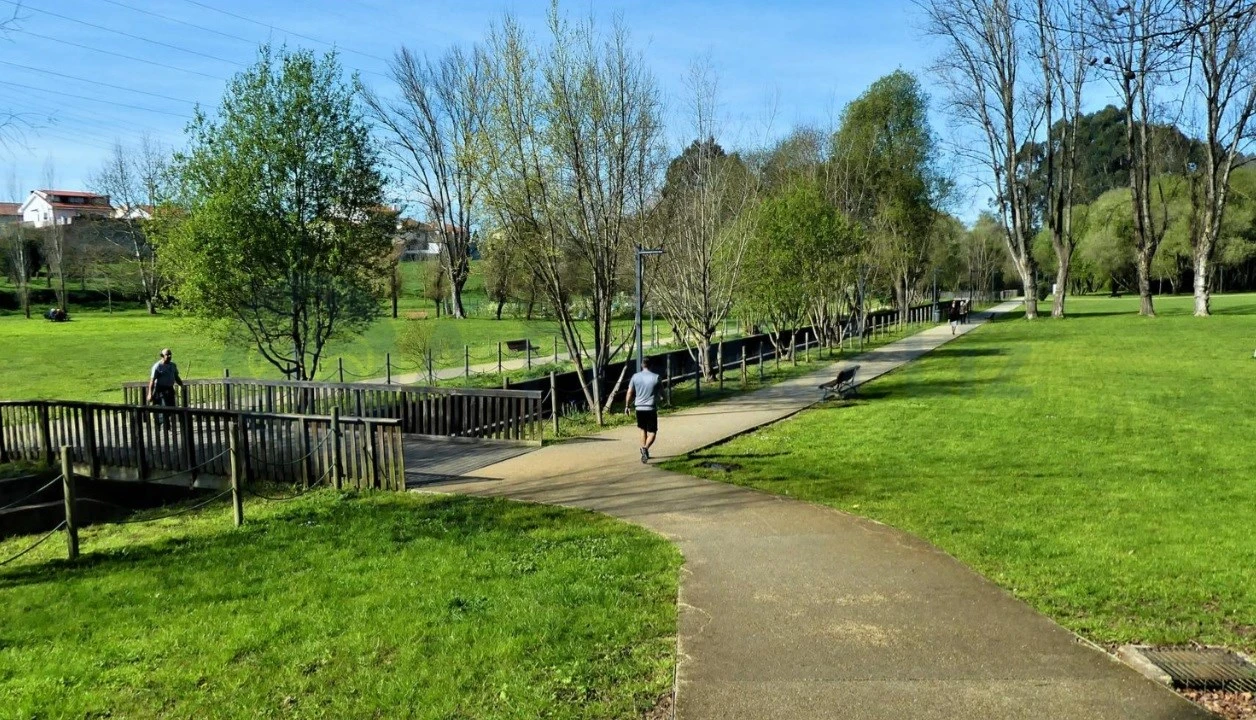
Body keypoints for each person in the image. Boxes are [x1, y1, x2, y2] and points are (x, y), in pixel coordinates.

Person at [624, 356, 661, 464]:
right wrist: (664, 399)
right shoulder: (656, 377)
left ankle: (645, 451)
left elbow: (630, 392)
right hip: (651, 408)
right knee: (653, 432)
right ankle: (645, 448)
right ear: (651, 365)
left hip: (639, 408)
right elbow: (661, 392)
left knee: (642, 429)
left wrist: (627, 406)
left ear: (642, 365)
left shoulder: (635, 377)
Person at [147, 347, 184, 414]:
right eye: (167, 354)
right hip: (160, 390)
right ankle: (163, 424)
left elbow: (176, 377)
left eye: (170, 354)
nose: (169, 356)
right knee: (163, 409)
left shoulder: (173, 365)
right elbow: (152, 381)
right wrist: (150, 394)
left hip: (170, 389)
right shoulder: (157, 366)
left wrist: (181, 385)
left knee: (172, 409)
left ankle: (170, 423)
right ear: (162, 356)